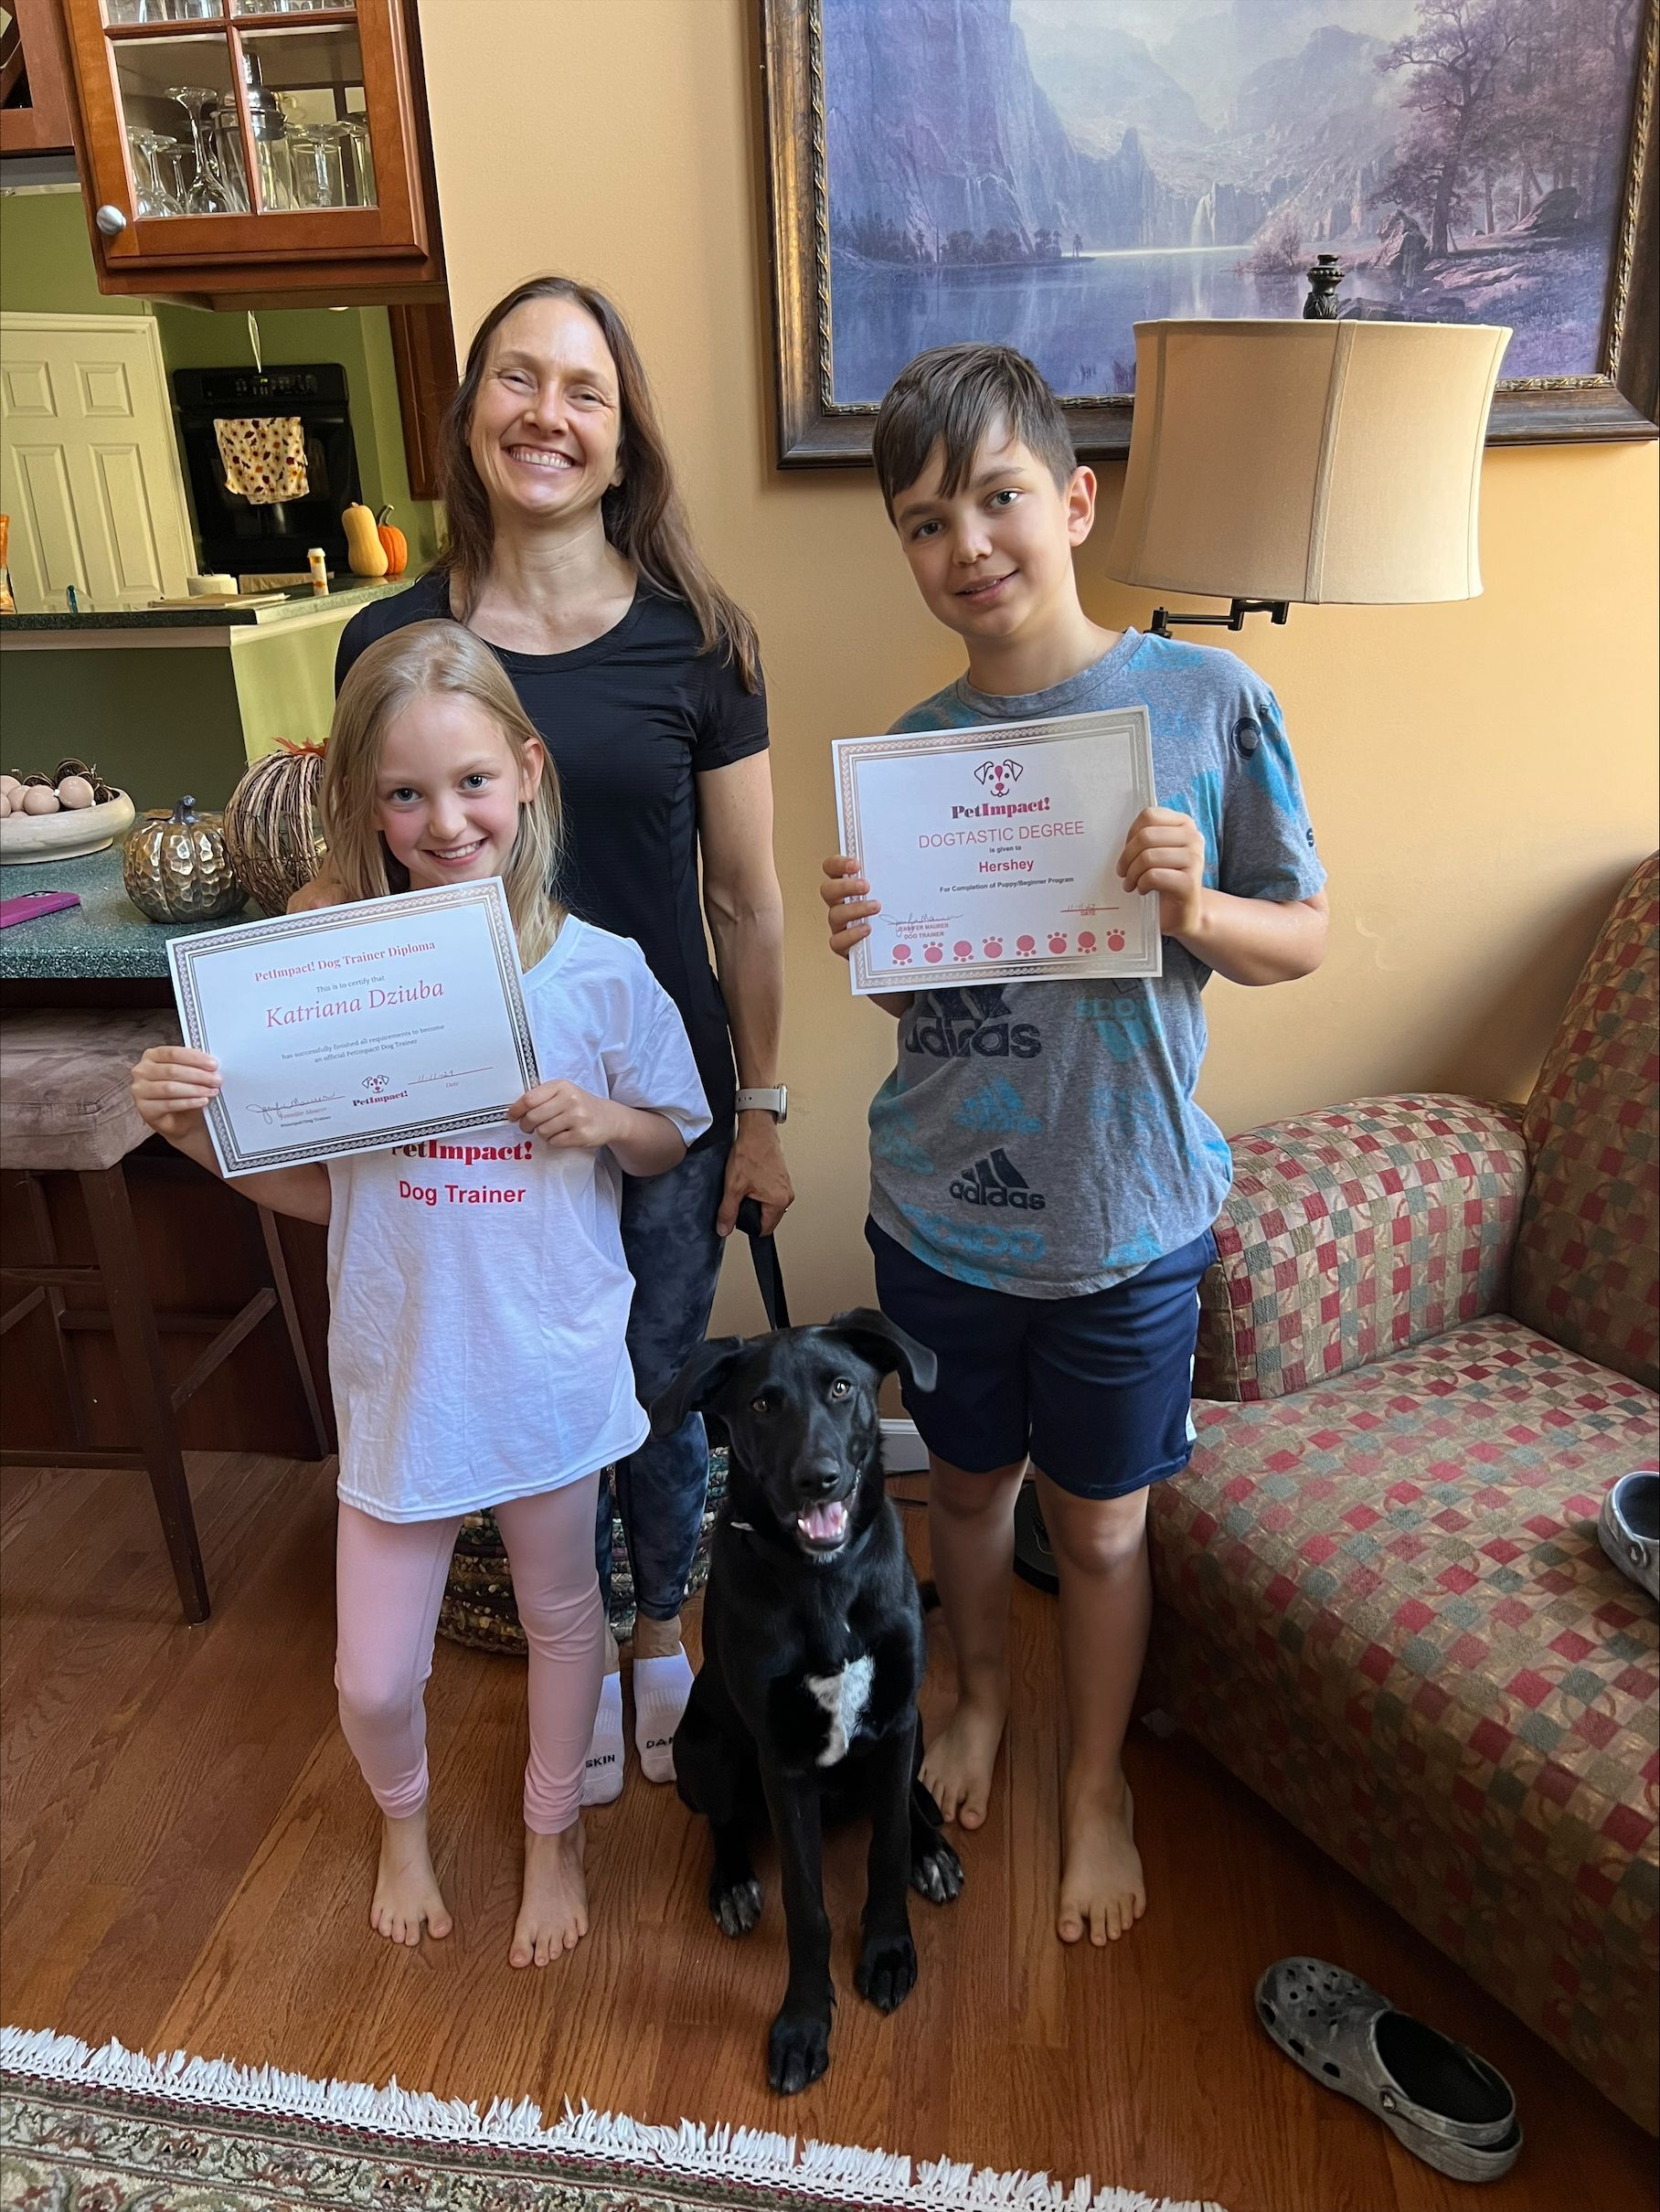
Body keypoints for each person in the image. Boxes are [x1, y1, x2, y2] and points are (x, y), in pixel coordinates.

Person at [820, 345, 1329, 1948]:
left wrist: (1196, 905)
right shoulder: (910, 758)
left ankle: (1097, 1780)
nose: (965, 543)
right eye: (922, 521)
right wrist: (874, 934)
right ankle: (974, 1698)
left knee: (1103, 1526)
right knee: (962, 1499)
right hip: (944, 1213)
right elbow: (919, 1006)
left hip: (1126, 1215)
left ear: (1074, 500)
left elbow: (1298, 941)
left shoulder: (1206, 702)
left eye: (998, 497)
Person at [132, 622, 709, 1964]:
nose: (444, 821)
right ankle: (404, 1817)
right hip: (403, 1373)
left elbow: (674, 1133)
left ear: (529, 771)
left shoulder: (603, 972)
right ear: (365, 809)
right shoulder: (341, 987)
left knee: (570, 1614)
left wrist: (603, 1123)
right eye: (404, 793)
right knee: (373, 1675)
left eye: (470, 784)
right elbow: (333, 1196)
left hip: (549, 1362)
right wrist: (192, 1137)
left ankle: (550, 1833)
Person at [312, 275, 793, 1802]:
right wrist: (264, 1034)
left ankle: (662, 1634)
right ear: (469, 419)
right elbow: (346, 870)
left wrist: (763, 1109)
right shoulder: (394, 632)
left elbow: (748, 900)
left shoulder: (702, 641)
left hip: (649, 1101)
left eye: (583, 390)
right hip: (458, 1116)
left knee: (642, 1387)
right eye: (516, 382)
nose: (547, 416)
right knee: (531, 1402)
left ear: (621, 435)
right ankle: (565, 1640)